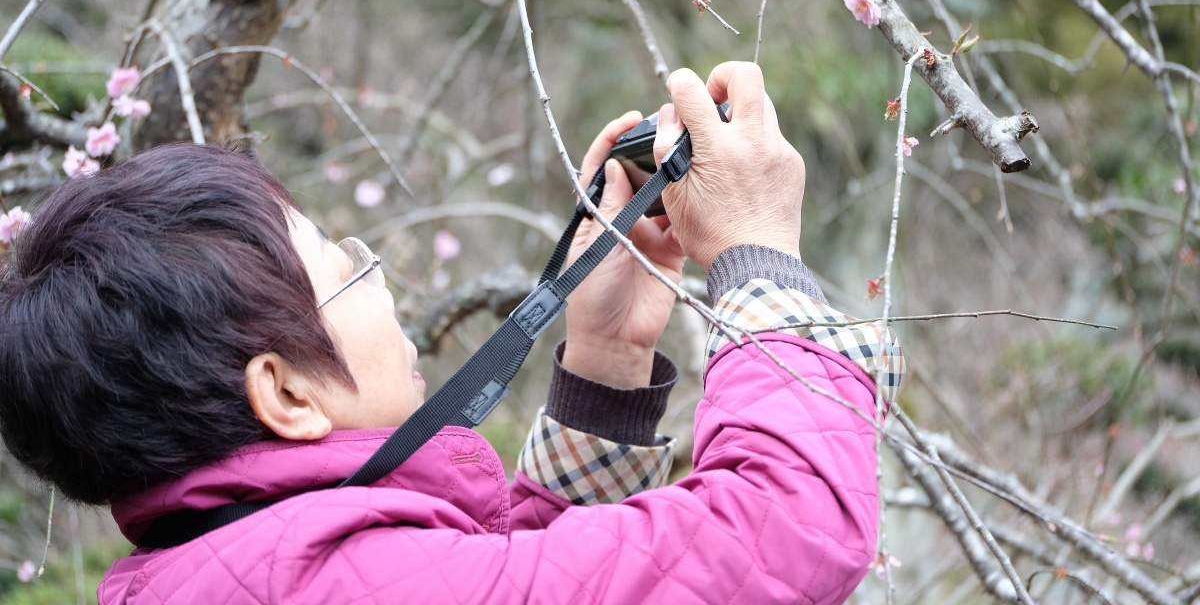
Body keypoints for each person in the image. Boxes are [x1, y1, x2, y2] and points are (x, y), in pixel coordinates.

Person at [0, 62, 903, 604]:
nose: (378, 271)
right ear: (282, 392)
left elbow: (513, 577)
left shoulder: (232, 567)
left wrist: (608, 359)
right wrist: (757, 252)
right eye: (343, 263)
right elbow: (787, 530)